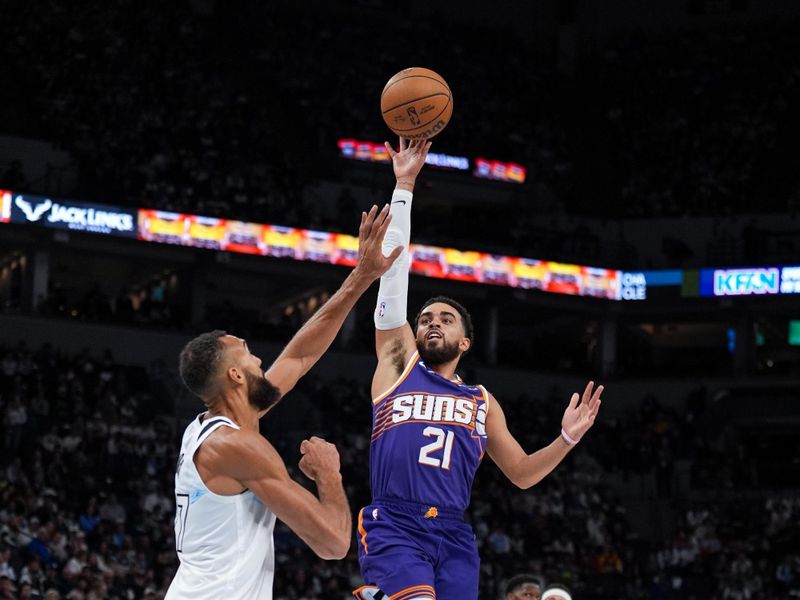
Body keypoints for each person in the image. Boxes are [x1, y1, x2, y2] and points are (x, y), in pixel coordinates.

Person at [353, 138, 604, 600]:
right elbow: (392, 275)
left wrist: (566, 438)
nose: (431, 323)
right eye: (425, 318)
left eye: (445, 320)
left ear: (464, 342)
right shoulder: (396, 369)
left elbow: (524, 474)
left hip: (452, 534)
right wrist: (404, 185)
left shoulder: (481, 402)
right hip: (395, 523)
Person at [165, 206, 404, 600]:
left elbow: (299, 357)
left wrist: (361, 276)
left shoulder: (213, 425)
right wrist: (328, 474)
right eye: (248, 354)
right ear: (236, 377)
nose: (260, 360)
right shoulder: (237, 447)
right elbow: (332, 543)